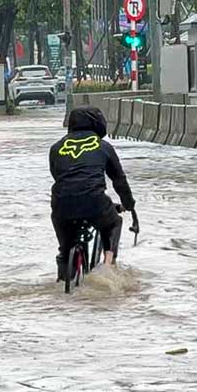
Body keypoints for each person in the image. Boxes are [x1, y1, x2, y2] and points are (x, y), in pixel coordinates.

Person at [49, 106, 138, 279]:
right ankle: (108, 264)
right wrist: (128, 204)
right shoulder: (104, 147)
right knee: (113, 223)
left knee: (65, 250)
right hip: (95, 202)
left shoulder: (56, 147)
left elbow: (58, 176)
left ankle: (63, 283)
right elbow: (119, 180)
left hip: (61, 205)